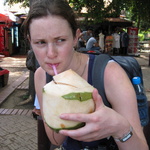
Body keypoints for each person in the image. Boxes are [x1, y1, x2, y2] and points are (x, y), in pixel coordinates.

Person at [23, 0, 148, 150]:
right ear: (30, 42)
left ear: (76, 37)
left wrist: (120, 128)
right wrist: (61, 105)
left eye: (60, 40)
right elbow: (56, 140)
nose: (51, 54)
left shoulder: (110, 74)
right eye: (40, 42)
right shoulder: (42, 76)